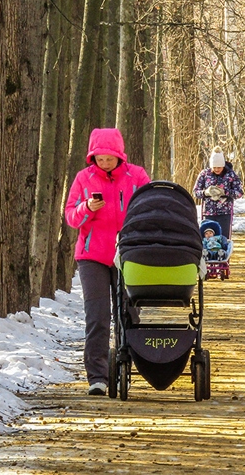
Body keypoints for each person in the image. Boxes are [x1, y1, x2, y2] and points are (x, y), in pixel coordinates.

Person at [64, 128, 150, 396]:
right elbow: (70, 216)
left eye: (109, 159)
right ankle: (97, 377)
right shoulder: (83, 178)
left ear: (120, 156)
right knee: (97, 316)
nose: (104, 164)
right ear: (93, 158)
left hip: (128, 254)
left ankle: (132, 364)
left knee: (129, 313)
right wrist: (87, 208)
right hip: (93, 257)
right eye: (99, 159)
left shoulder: (137, 176)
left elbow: (151, 206)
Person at [193, 146, 243, 239]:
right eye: (214, 167)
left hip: (225, 213)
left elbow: (239, 193)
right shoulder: (204, 174)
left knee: (223, 239)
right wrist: (206, 192)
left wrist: (225, 192)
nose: (217, 169)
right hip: (208, 213)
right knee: (207, 240)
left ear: (223, 165)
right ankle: (208, 254)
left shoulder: (231, 175)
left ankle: (223, 253)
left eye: (219, 167)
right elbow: (196, 192)